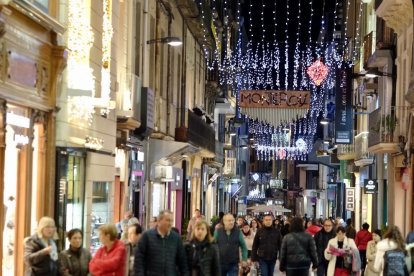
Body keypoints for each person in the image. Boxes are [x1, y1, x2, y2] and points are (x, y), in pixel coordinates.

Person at [134, 210, 189, 275]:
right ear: (159, 221)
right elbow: (139, 259)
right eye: (168, 220)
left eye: (172, 221)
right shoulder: (147, 236)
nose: (170, 223)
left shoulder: (176, 238)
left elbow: (182, 262)